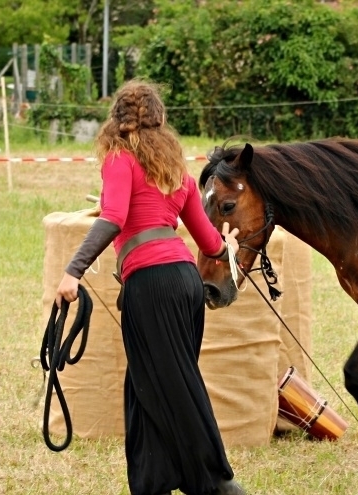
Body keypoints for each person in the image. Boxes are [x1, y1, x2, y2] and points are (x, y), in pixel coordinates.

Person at [55, 80, 246, 495]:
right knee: (146, 383)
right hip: (185, 283)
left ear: (116, 119)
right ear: (160, 120)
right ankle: (151, 481)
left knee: (173, 382)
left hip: (152, 285)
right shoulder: (175, 169)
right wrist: (225, 246)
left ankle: (216, 482)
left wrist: (73, 270)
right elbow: (209, 242)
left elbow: (113, 217)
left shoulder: (119, 158)